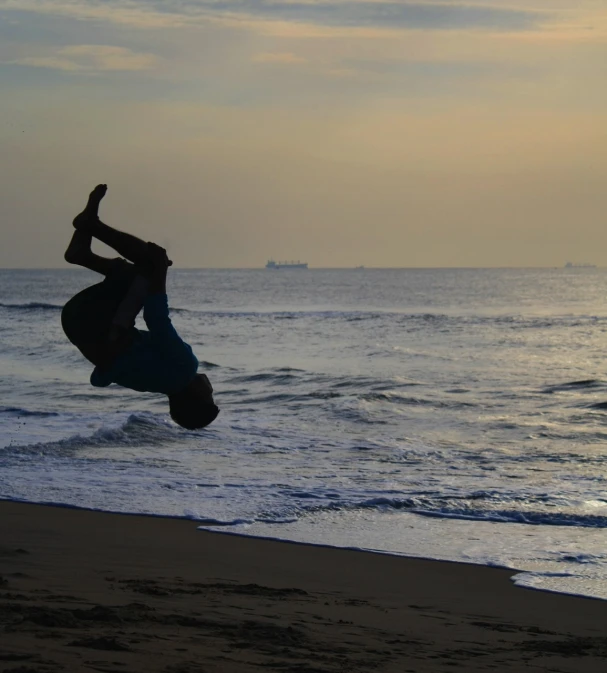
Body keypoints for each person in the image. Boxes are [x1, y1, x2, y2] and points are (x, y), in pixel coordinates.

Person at [61, 184, 219, 430]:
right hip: (75, 323)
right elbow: (99, 379)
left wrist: (161, 274)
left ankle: (91, 225)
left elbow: (156, 319)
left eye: (211, 395)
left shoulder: (185, 367)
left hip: (92, 317)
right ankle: (80, 253)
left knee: (152, 261)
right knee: (128, 274)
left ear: (198, 395)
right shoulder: (152, 382)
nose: (211, 389)